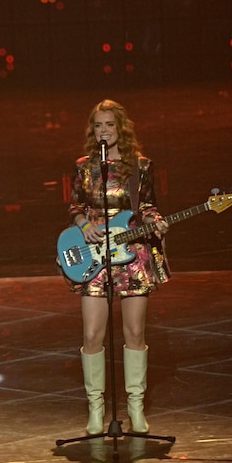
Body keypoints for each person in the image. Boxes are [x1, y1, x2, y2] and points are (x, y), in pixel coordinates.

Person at [66, 99, 170, 435]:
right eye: (98, 125)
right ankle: (96, 408)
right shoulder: (84, 167)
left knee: (134, 332)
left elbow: (150, 205)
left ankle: (135, 408)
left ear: (120, 128)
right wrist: (84, 226)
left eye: (109, 125)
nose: (103, 131)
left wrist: (155, 222)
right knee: (92, 333)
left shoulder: (140, 165)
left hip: (133, 254)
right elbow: (76, 207)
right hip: (95, 255)